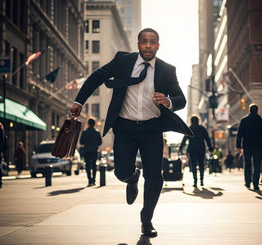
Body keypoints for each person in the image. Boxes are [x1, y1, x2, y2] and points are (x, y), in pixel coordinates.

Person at [69, 28, 192, 237]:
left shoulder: (166, 70)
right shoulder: (123, 61)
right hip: (125, 128)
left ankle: (147, 220)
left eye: (152, 42)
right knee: (120, 172)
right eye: (144, 41)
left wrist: (169, 101)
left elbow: (181, 99)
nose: (148, 45)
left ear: (158, 46)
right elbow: (96, 77)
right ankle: (133, 177)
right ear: (138, 44)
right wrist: (79, 101)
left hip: (152, 128)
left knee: (155, 177)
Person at [236, 103, 262, 191]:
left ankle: (247, 182)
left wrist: (238, 146)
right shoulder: (261, 121)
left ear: (249, 110)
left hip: (247, 146)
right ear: (257, 111)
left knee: (247, 164)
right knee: (257, 165)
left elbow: (239, 134)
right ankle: (255, 184)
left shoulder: (244, 120)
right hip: (258, 146)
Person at [179, 116, 213, 187]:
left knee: (193, 165)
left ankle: (195, 181)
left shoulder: (189, 129)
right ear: (198, 121)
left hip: (192, 150)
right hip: (201, 149)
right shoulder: (202, 129)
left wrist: (181, 148)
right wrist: (210, 149)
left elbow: (184, 139)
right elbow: (207, 139)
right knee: (201, 165)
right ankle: (201, 181)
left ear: (191, 121)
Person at [79, 118, 102, 187]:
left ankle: (89, 180)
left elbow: (81, 142)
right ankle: (93, 180)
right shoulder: (97, 132)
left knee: (88, 166)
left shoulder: (84, 132)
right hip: (94, 151)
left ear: (88, 124)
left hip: (86, 151)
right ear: (94, 124)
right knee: (94, 165)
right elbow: (100, 142)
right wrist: (95, 144)